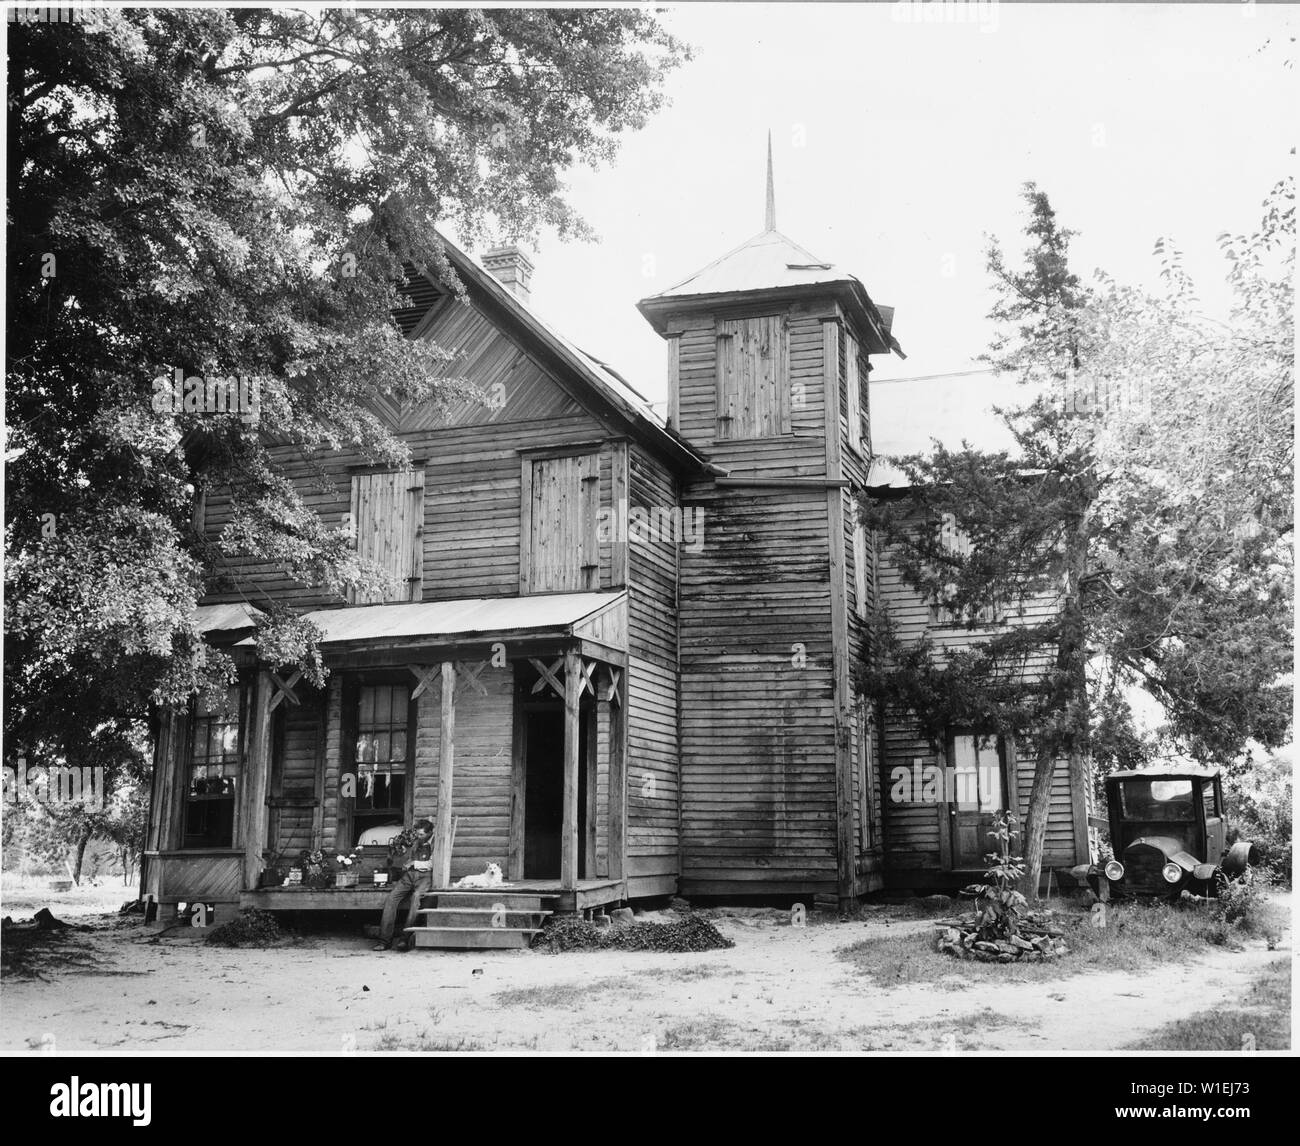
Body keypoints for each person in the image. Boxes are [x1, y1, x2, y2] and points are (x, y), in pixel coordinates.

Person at [374, 818, 434, 952]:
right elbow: (409, 857)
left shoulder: (436, 843)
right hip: (409, 876)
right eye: (417, 834)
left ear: (430, 833)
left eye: (421, 834)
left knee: (416, 898)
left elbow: (432, 864)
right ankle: (384, 940)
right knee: (391, 898)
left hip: (425, 877)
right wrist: (405, 859)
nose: (419, 837)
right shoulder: (416, 841)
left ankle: (405, 939)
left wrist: (414, 863)